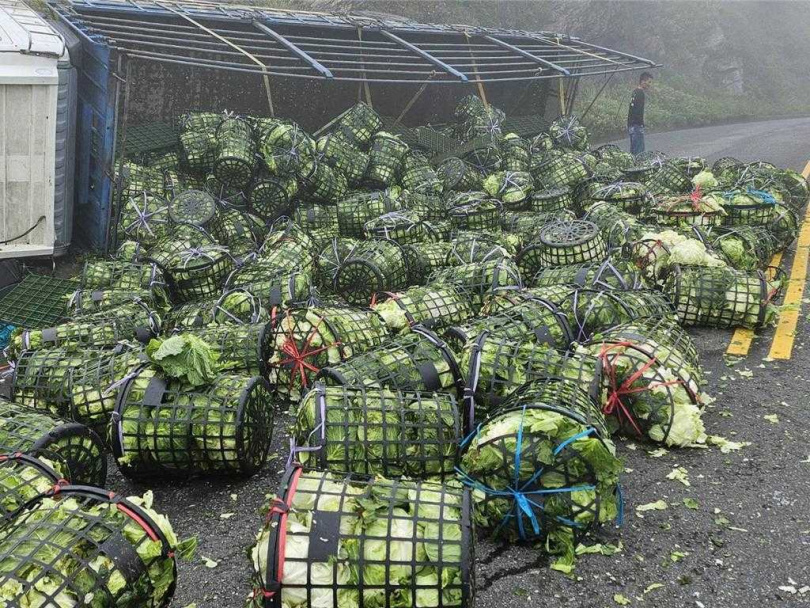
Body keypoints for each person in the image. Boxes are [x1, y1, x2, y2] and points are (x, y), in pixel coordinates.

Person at [627, 72, 653, 156]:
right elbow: (637, 111)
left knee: (633, 150)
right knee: (639, 153)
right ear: (643, 81)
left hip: (631, 125)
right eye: (649, 82)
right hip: (637, 126)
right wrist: (641, 124)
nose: (649, 84)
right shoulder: (640, 93)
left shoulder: (635, 92)